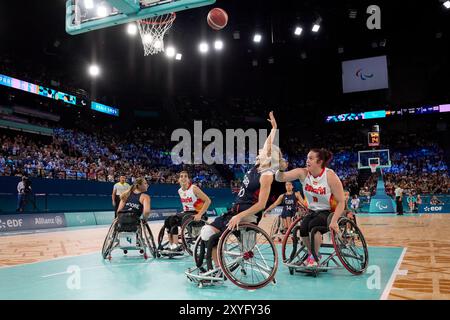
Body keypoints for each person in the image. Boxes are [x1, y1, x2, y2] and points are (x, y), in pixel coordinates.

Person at [198, 111, 284, 274]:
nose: (260, 150)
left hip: (247, 216)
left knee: (213, 239)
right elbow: (268, 143)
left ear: (268, 156)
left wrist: (239, 217)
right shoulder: (256, 167)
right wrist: (274, 128)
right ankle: (218, 269)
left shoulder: (266, 175)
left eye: (264, 150)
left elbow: (262, 204)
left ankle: (216, 269)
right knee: (206, 232)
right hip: (235, 212)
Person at [275, 148, 345, 267]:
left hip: (329, 212)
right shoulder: (303, 173)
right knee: (302, 228)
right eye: (307, 157)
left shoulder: (330, 176)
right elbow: (280, 178)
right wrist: (281, 169)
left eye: (311, 158)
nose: (307, 160)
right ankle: (312, 254)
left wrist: (334, 221)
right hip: (312, 211)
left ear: (320, 162)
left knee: (314, 227)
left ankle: (314, 255)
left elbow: (341, 202)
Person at [163, 171, 211, 251]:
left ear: (188, 179)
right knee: (168, 220)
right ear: (178, 180)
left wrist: (199, 214)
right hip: (187, 213)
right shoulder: (180, 191)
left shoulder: (194, 188)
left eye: (186, 176)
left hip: (197, 213)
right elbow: (187, 205)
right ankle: (171, 244)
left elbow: (208, 201)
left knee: (174, 220)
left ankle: (176, 245)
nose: (183, 178)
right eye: (181, 176)